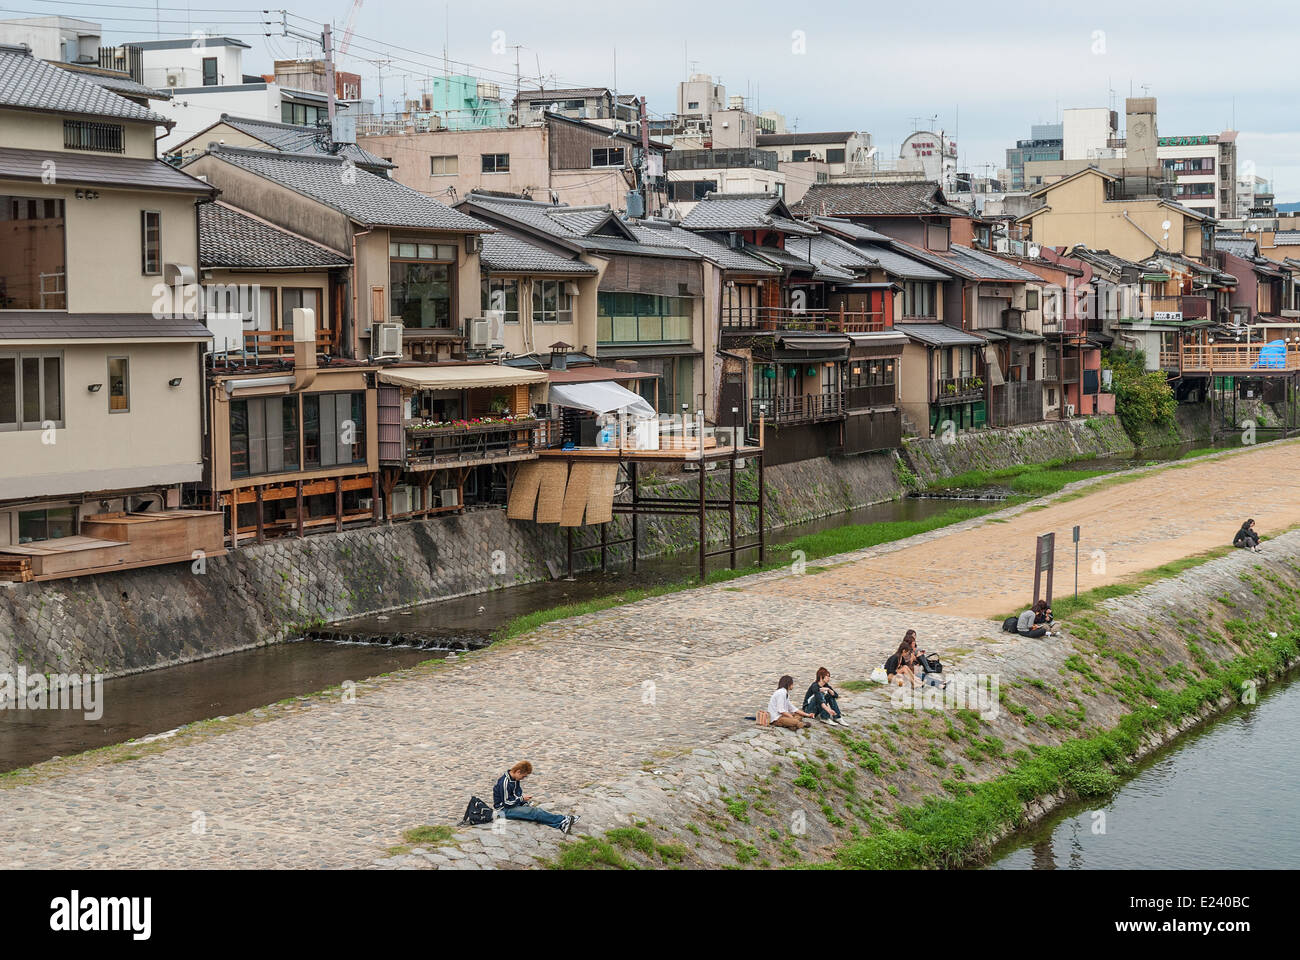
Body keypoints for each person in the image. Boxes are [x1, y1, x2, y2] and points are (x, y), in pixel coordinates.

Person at [492, 760, 578, 834]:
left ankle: (561, 824)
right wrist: (522, 799)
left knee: (533, 814)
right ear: (518, 772)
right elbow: (506, 803)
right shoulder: (505, 782)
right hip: (503, 810)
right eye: (523, 776)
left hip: (512, 805)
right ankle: (562, 820)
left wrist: (523, 802)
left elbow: (516, 794)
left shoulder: (514, 779)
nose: (523, 778)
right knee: (535, 812)